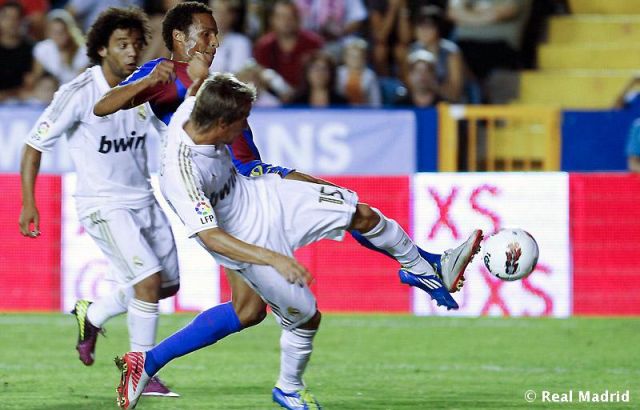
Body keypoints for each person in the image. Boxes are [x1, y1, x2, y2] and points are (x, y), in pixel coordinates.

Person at [94, 4, 481, 407]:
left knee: (254, 304)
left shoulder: (198, 84)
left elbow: (201, 100)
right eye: (206, 33)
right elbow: (103, 106)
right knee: (275, 295)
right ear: (179, 38)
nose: (215, 41)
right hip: (239, 196)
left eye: (215, 33)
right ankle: (420, 268)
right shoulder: (164, 81)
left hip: (254, 180)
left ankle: (424, 265)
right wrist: (147, 82)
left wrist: (205, 79)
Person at [18, 7, 179, 397]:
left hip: (144, 198)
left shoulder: (144, 87)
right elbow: (33, 145)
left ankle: (93, 313)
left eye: (136, 44)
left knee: (165, 286)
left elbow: (171, 132)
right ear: (102, 50)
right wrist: (28, 202)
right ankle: (142, 372)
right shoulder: (78, 92)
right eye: (122, 44)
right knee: (146, 283)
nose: (131, 52)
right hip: (102, 203)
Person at [253, 0, 323, 92]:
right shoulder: (263, 46)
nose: (286, 21)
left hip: (307, 95)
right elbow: (261, 76)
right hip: (273, 96)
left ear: (298, 19)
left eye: (291, 17)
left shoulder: (313, 43)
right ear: (271, 20)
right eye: (281, 17)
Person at [409, 7, 464, 102]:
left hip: (447, 101)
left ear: (438, 29)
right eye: (420, 26)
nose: (423, 31)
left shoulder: (451, 51)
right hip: (419, 100)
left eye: (429, 27)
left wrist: (432, 84)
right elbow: (409, 83)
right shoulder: (413, 49)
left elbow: (455, 92)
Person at [33, 9, 90, 85]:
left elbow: (80, 82)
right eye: (54, 32)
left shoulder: (82, 51)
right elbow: (37, 77)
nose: (58, 36)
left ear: (69, 32)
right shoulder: (42, 48)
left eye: (61, 32)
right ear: (48, 32)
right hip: (49, 89)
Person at [0, 1, 34, 102]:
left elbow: (30, 83)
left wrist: (7, 95)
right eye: (7, 18)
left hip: (20, 102)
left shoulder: (31, 49)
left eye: (16, 18)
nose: (12, 23)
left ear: (22, 21)